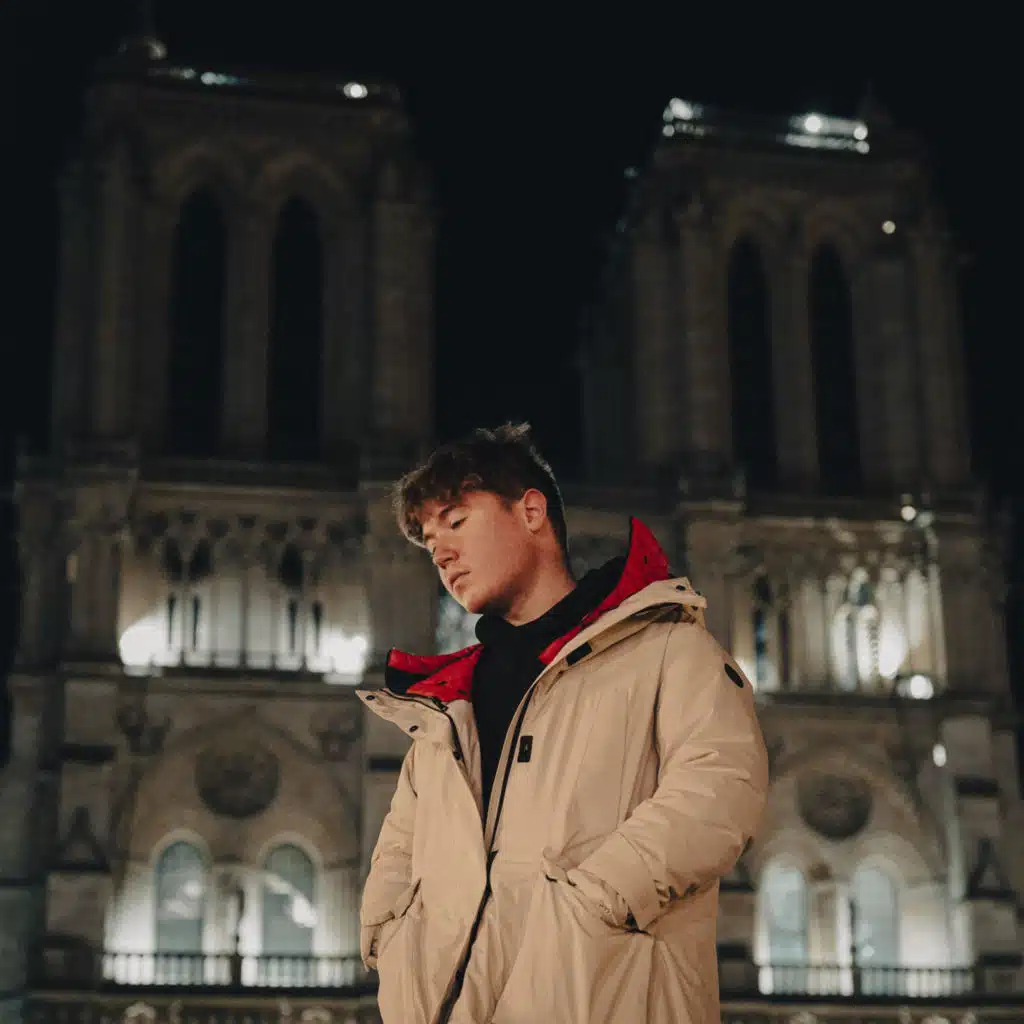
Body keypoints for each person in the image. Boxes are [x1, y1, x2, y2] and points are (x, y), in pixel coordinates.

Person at [358, 423, 769, 1024]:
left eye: (456, 521)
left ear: (531, 512)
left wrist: (593, 905)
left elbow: (720, 789)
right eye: (429, 540)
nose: (440, 553)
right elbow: (400, 846)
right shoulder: (447, 706)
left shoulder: (668, 652)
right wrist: (392, 939)